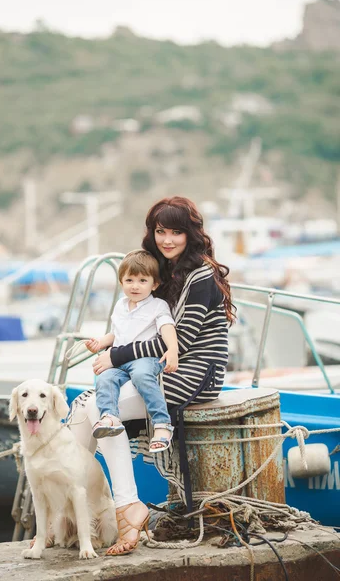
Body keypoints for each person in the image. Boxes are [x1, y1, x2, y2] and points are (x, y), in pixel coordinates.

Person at [71, 196, 236, 556]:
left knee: (98, 411)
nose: (167, 239)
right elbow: (135, 326)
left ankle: (127, 508)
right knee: (86, 411)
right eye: (161, 231)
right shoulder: (162, 271)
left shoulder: (201, 275)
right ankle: (76, 516)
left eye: (177, 231)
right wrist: (113, 352)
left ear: (191, 233)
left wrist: (114, 355)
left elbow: (181, 340)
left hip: (193, 370)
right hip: (154, 367)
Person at [85, 249, 177, 453]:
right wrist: (100, 343)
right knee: (105, 378)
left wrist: (172, 349)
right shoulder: (120, 306)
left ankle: (162, 424)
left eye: (142, 280)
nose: (135, 286)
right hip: (120, 359)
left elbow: (167, 328)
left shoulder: (158, 306)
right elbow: (115, 334)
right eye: (130, 280)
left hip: (145, 358)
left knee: (142, 375)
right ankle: (110, 417)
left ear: (154, 284)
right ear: (121, 282)